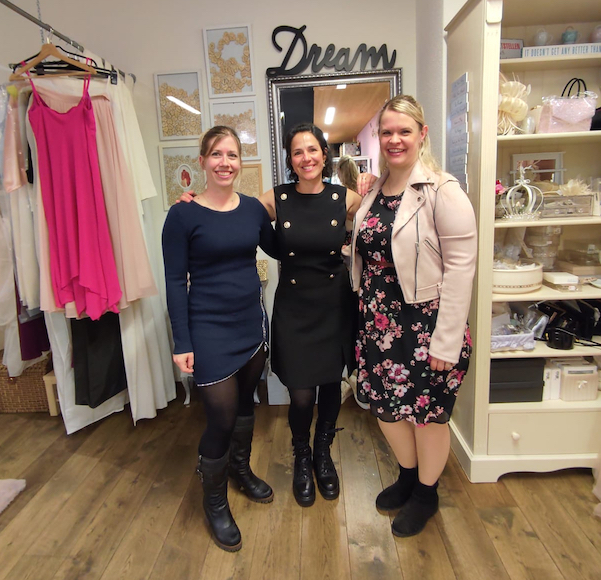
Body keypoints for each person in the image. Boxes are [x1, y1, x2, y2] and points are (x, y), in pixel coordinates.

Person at [350, 95, 477, 537]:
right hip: (380, 324)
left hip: (428, 326)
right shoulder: (374, 191)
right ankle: (407, 476)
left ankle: (426, 493)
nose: (395, 139)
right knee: (387, 410)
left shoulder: (442, 190)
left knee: (426, 415)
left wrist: (447, 341)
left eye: (404, 131)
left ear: (422, 134)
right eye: (387, 132)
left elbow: (461, 268)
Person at [162, 126, 277, 552]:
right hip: (208, 329)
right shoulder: (182, 215)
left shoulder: (253, 210)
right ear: (203, 161)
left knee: (246, 405)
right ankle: (214, 501)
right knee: (221, 418)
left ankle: (239, 470)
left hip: (250, 325)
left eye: (232, 155)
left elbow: (281, 247)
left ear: (240, 162)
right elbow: (175, 280)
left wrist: (321, 209)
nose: (224, 162)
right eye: (216, 154)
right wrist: (182, 341)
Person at [259, 123, 363, 507]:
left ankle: (323, 453)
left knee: (331, 386)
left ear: (324, 154)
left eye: (313, 150)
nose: (306, 158)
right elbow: (237, 212)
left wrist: (377, 183)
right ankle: (302, 455)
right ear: (291, 159)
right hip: (294, 307)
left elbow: (384, 211)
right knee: (301, 395)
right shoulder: (278, 198)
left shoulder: (343, 197)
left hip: (333, 305)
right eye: (298, 152)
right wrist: (196, 201)